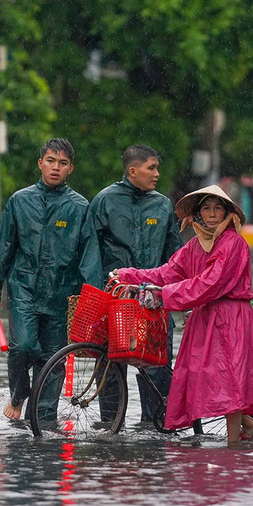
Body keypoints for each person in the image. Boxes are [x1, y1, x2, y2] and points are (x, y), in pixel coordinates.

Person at [110, 185, 253, 443]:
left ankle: (233, 446)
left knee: (230, 379)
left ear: (226, 213)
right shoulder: (194, 245)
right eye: (206, 209)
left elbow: (210, 283)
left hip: (231, 318)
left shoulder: (234, 243)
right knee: (200, 376)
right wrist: (128, 275)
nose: (212, 214)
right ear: (199, 214)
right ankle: (249, 425)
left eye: (217, 208)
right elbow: (166, 273)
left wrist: (166, 295)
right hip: (204, 318)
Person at [0, 138, 102, 422]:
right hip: (24, 289)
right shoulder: (19, 201)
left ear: (70, 169)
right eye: (50, 161)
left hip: (62, 293)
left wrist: (92, 298)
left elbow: (89, 256)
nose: (55, 168)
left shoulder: (79, 207)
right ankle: (19, 394)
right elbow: (3, 246)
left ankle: (44, 419)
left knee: (53, 359)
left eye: (62, 163)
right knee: (22, 346)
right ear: (40, 163)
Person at [89, 145, 181, 426]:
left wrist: (178, 294)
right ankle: (110, 425)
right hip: (115, 298)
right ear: (133, 171)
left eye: (156, 168)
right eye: (151, 168)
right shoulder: (104, 201)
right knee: (109, 364)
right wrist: (94, 295)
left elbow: (175, 256)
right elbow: (89, 252)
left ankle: (153, 426)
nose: (157, 174)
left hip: (153, 301)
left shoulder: (163, 205)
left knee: (156, 366)